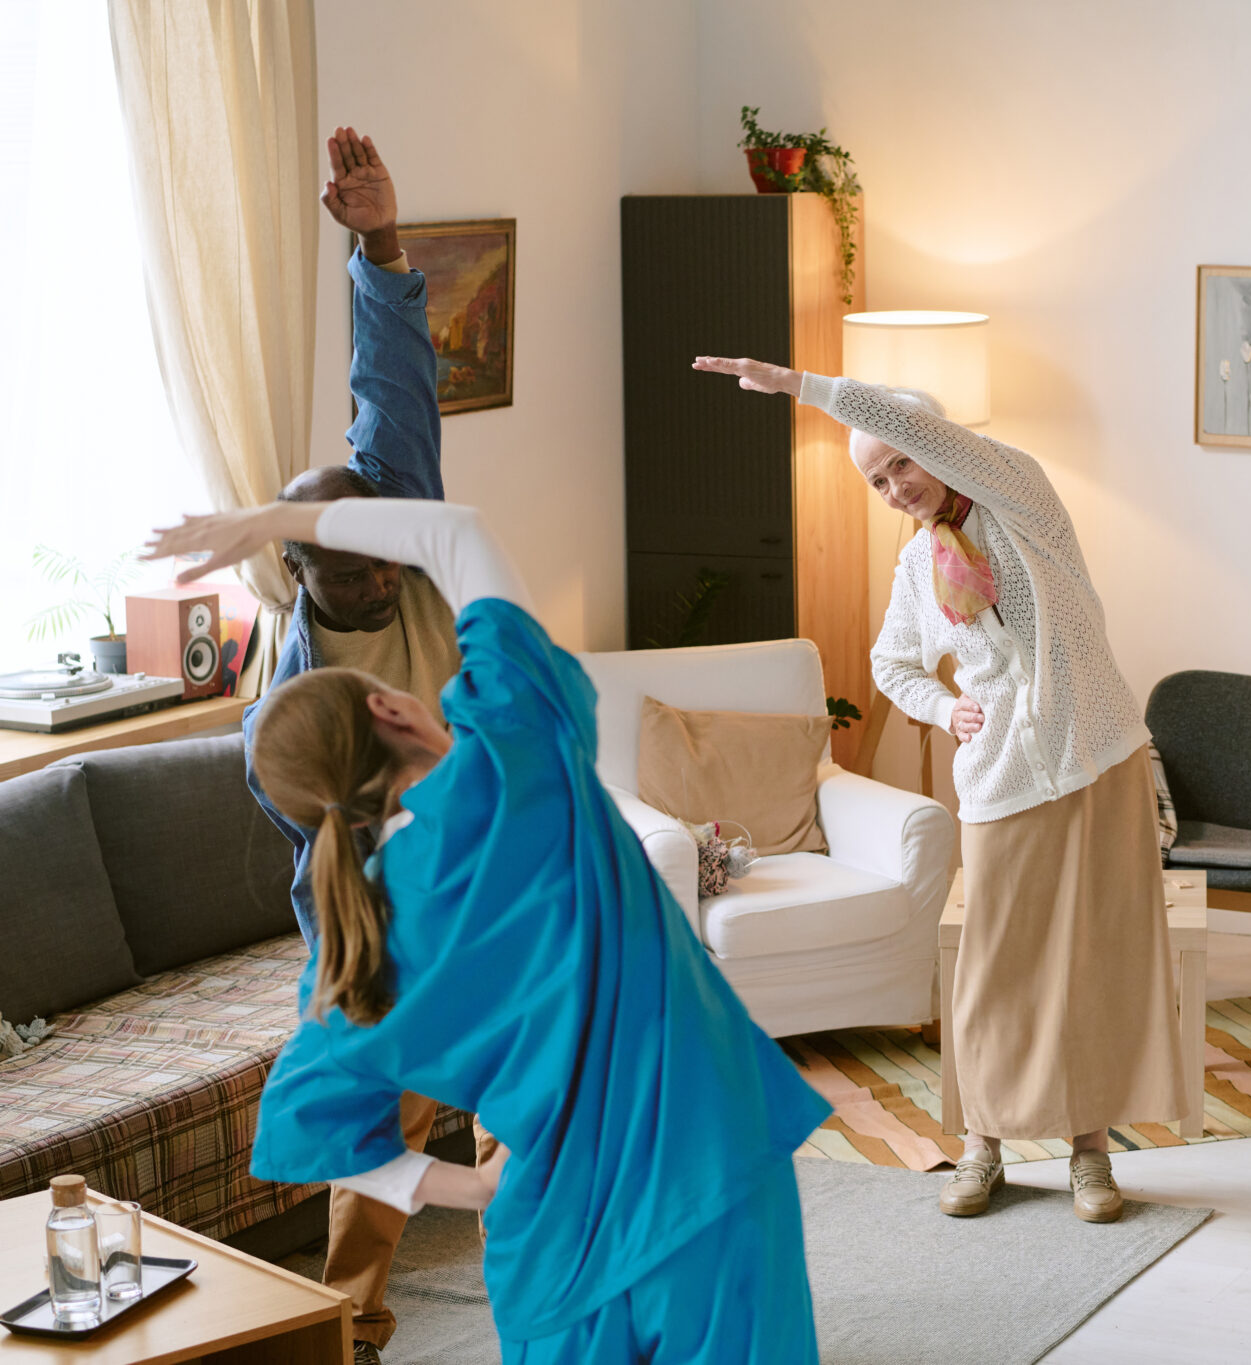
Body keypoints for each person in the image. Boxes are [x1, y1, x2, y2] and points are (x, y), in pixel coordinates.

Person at [146, 495, 827, 1365]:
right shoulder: (519, 752)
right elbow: (456, 532)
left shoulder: (361, 944)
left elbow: (314, 1124)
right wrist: (278, 518)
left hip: (550, 1242)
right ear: (394, 710)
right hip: (708, 1166)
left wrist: (473, 1188)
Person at [694, 355, 1185, 1223]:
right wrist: (943, 705)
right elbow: (892, 663)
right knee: (995, 967)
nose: (895, 487)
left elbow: (916, 427)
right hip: (1002, 779)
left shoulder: (1021, 499)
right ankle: (983, 1146)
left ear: (936, 444)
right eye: (877, 480)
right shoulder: (918, 564)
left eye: (901, 463)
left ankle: (1090, 1151)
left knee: (1096, 957)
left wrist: (800, 386)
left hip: (1098, 756)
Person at [241, 126, 479, 1364]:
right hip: (381, 918)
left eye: (384, 552)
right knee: (381, 1116)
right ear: (299, 573)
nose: (383, 576)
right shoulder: (295, 712)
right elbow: (335, 832)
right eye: (350, 569)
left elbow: (391, 392)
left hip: (493, 875)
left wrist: (380, 241)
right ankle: (354, 1326)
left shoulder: (397, 527)